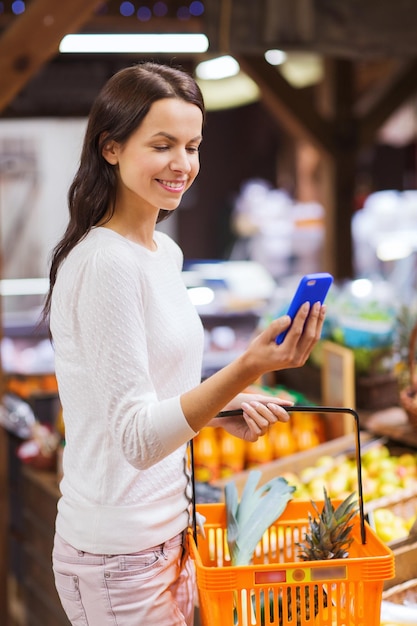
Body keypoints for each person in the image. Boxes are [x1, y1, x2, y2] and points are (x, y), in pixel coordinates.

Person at [42, 61, 326, 626]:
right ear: (112, 148)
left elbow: (148, 400)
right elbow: (137, 440)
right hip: (119, 552)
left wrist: (218, 406)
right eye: (163, 144)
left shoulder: (162, 254)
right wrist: (247, 368)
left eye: (193, 146)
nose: (183, 164)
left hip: (168, 534)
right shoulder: (105, 264)